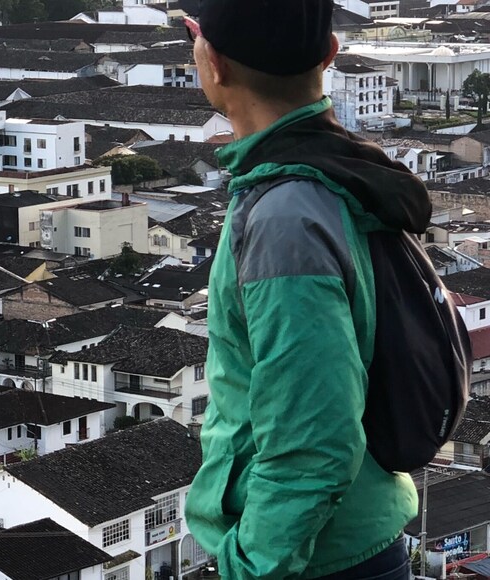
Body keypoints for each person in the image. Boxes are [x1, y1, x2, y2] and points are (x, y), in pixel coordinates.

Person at [181, 1, 424, 578]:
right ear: (330, 54)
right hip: (353, 535)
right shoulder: (344, 172)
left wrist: (248, 567)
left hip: (316, 558)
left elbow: (313, 442)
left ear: (213, 62)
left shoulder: (284, 216)